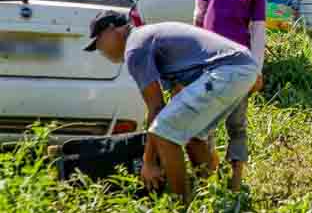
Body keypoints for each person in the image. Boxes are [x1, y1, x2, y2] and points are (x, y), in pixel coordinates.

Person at [84, 13, 259, 202]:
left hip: (229, 69)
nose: (100, 51)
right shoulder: (147, 38)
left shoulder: (134, 47)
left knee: (164, 133)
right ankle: (212, 196)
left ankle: (181, 204)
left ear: (112, 30)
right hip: (242, 67)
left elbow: (157, 108)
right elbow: (177, 94)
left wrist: (149, 162)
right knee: (191, 134)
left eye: (99, 42)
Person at [193, 0, 266, 192]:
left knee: (236, 124)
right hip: (209, 62)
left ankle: (235, 180)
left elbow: (258, 29)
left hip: (239, 65)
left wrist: (256, 70)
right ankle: (206, 177)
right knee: (205, 123)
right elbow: (198, 16)